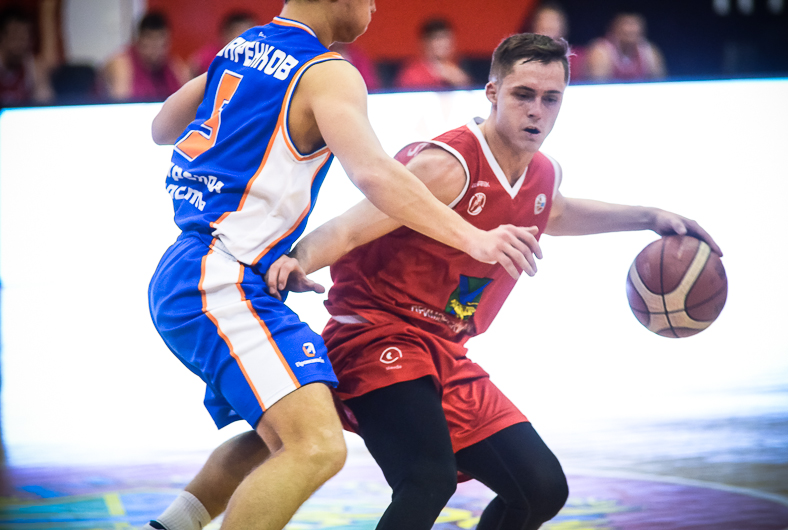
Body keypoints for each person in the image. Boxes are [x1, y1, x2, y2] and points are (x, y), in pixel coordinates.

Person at [154, 32, 722, 529]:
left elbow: (556, 210)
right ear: (493, 93)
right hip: (374, 337)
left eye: (550, 99)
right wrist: (297, 259)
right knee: (424, 478)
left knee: (541, 489)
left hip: (445, 351)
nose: (536, 111)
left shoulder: (542, 174)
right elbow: (349, 228)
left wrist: (649, 216)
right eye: (523, 95)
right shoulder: (447, 164)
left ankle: (176, 521)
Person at [143, 0, 541, 528]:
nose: (374, 7)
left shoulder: (243, 46)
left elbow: (163, 126)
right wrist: (473, 238)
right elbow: (374, 173)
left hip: (199, 266)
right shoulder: (328, 71)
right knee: (317, 447)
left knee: (295, 427)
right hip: (221, 277)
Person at [102, 12, 190, 102]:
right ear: (138, 40)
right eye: (151, 45)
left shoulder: (175, 66)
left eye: (162, 46)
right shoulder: (122, 65)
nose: (156, 52)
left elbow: (188, 101)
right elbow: (122, 105)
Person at [0, 1, 58, 106]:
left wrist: (41, 81)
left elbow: (45, 105)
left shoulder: (32, 67)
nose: (21, 44)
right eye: (15, 37)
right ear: (2, 38)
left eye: (24, 38)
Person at [584, 12, 666, 82]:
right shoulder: (601, 51)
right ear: (615, 28)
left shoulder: (649, 51)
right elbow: (598, 86)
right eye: (628, 24)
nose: (632, 29)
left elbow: (659, 83)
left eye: (635, 24)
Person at [395, 17, 473, 89]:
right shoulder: (412, 75)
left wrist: (462, 82)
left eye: (447, 38)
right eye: (438, 39)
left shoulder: (457, 69)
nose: (444, 43)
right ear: (425, 42)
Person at [526, 1, 585, 81]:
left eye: (552, 26)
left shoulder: (577, 59)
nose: (548, 26)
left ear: (563, 28)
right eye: (544, 28)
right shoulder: (524, 61)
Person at [189, 11, 258, 77]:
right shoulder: (210, 56)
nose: (248, 37)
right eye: (240, 31)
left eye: (252, 32)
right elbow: (192, 69)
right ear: (226, 34)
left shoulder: (257, 57)